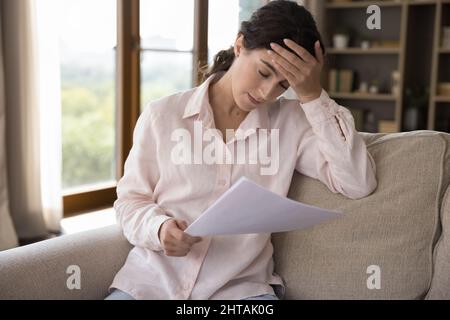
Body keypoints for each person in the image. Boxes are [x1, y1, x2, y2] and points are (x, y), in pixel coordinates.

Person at [105, 0, 377, 300]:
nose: (267, 92)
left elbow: (357, 182)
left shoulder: (293, 123)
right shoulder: (163, 115)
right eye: (263, 72)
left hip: (241, 293)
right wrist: (159, 228)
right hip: (151, 285)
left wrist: (312, 94)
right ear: (239, 45)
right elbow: (130, 201)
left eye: (284, 84)